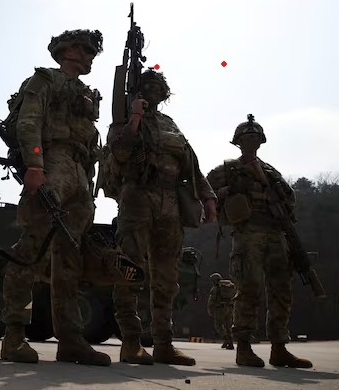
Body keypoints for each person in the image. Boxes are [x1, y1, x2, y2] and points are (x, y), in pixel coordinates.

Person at [0, 29, 111, 367]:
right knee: (30, 249)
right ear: (66, 51)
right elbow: (29, 121)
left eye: (92, 53)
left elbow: (92, 143)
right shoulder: (46, 79)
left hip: (79, 172)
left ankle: (71, 339)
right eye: (84, 50)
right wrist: (35, 163)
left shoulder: (87, 94)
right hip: (52, 164)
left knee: (70, 261)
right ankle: (14, 334)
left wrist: (91, 182)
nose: (89, 57)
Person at [109, 68, 217, 366]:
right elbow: (118, 153)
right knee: (128, 270)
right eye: (149, 86)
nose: (155, 92)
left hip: (170, 204)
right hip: (136, 200)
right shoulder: (124, 118)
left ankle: (164, 343)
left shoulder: (171, 125)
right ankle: (130, 342)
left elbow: (191, 164)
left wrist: (207, 197)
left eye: (159, 88)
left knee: (167, 278)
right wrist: (134, 118)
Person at [206, 114, 312, 368]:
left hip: (276, 234)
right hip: (247, 234)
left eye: (255, 136)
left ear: (262, 141)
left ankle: (279, 347)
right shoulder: (227, 170)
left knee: (281, 290)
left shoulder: (270, 171)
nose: (251, 140)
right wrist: (230, 193)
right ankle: (243, 348)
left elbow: (289, 200)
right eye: (246, 137)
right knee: (249, 290)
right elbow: (205, 193)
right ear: (238, 142)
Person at [207, 272, 236, 350]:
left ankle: (226, 339)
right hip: (230, 308)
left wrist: (210, 309)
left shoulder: (216, 288)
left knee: (218, 325)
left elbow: (211, 300)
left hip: (220, 308)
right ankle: (230, 342)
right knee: (228, 326)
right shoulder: (229, 286)